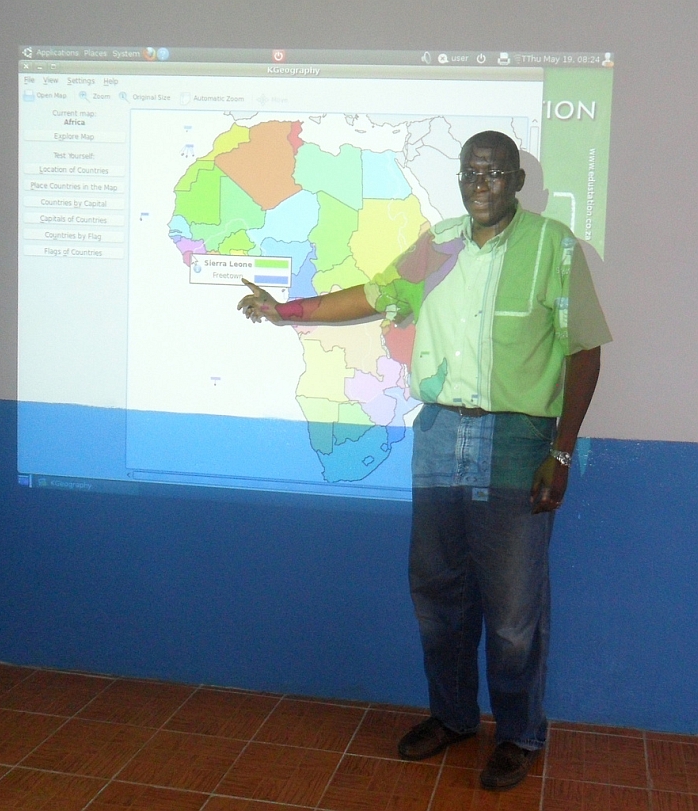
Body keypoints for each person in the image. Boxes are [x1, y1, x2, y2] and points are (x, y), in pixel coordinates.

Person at [238, 131, 611, 790]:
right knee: (438, 594)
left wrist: (561, 447)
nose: (480, 184)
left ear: (517, 181)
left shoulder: (553, 246)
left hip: (519, 436)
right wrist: (285, 309)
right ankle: (454, 716)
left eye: (494, 173)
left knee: (514, 609)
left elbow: (584, 350)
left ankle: (520, 732)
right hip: (439, 433)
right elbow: (375, 296)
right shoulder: (436, 244)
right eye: (471, 172)